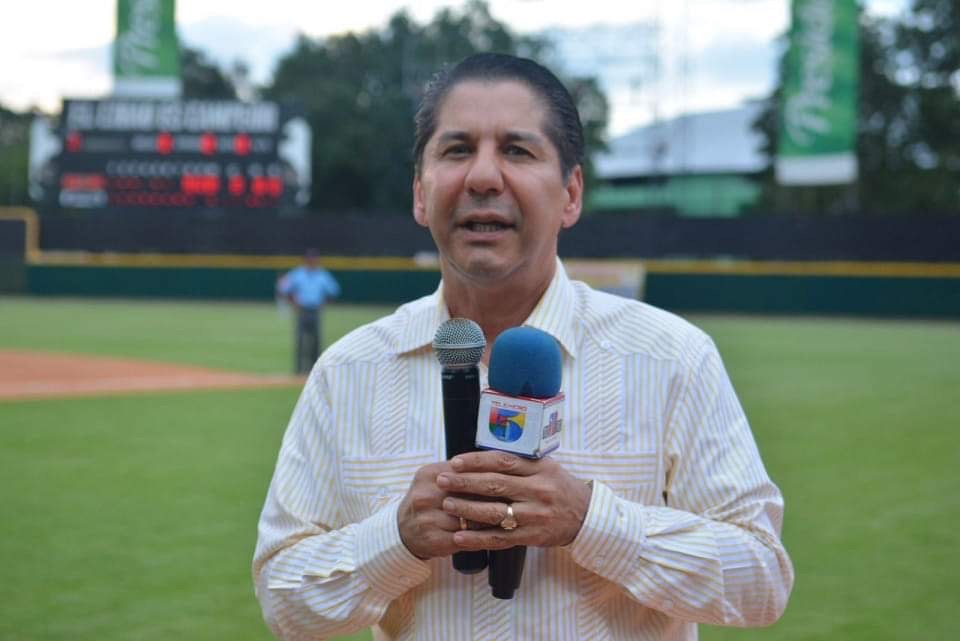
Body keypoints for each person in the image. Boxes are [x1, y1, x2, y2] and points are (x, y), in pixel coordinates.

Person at [253, 53, 794, 640]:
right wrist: (396, 539)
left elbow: (761, 580)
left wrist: (591, 522)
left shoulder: (671, 358)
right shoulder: (349, 371)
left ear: (570, 194)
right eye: (457, 150)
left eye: (517, 150)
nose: (483, 177)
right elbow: (283, 601)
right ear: (419, 193)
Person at [276, 249, 340, 374]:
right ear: (306, 260)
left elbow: (334, 291)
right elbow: (284, 289)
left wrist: (324, 304)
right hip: (302, 310)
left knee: (316, 341)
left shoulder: (322, 274)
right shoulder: (298, 273)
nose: (312, 261)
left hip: (315, 311)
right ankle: (298, 371)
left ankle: (315, 370)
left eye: (315, 259)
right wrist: (293, 302)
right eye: (310, 259)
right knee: (300, 341)